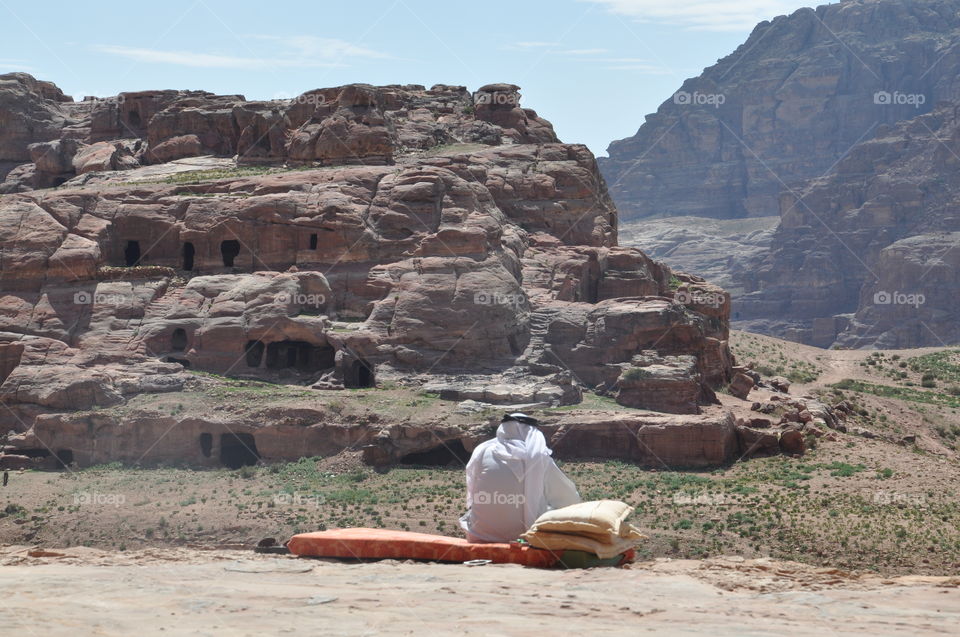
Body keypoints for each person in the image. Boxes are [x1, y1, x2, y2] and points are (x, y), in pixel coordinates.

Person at [459, 412, 581, 543]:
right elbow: (569, 499)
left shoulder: (482, 451)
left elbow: (473, 489)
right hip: (524, 537)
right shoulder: (538, 458)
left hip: (479, 535)